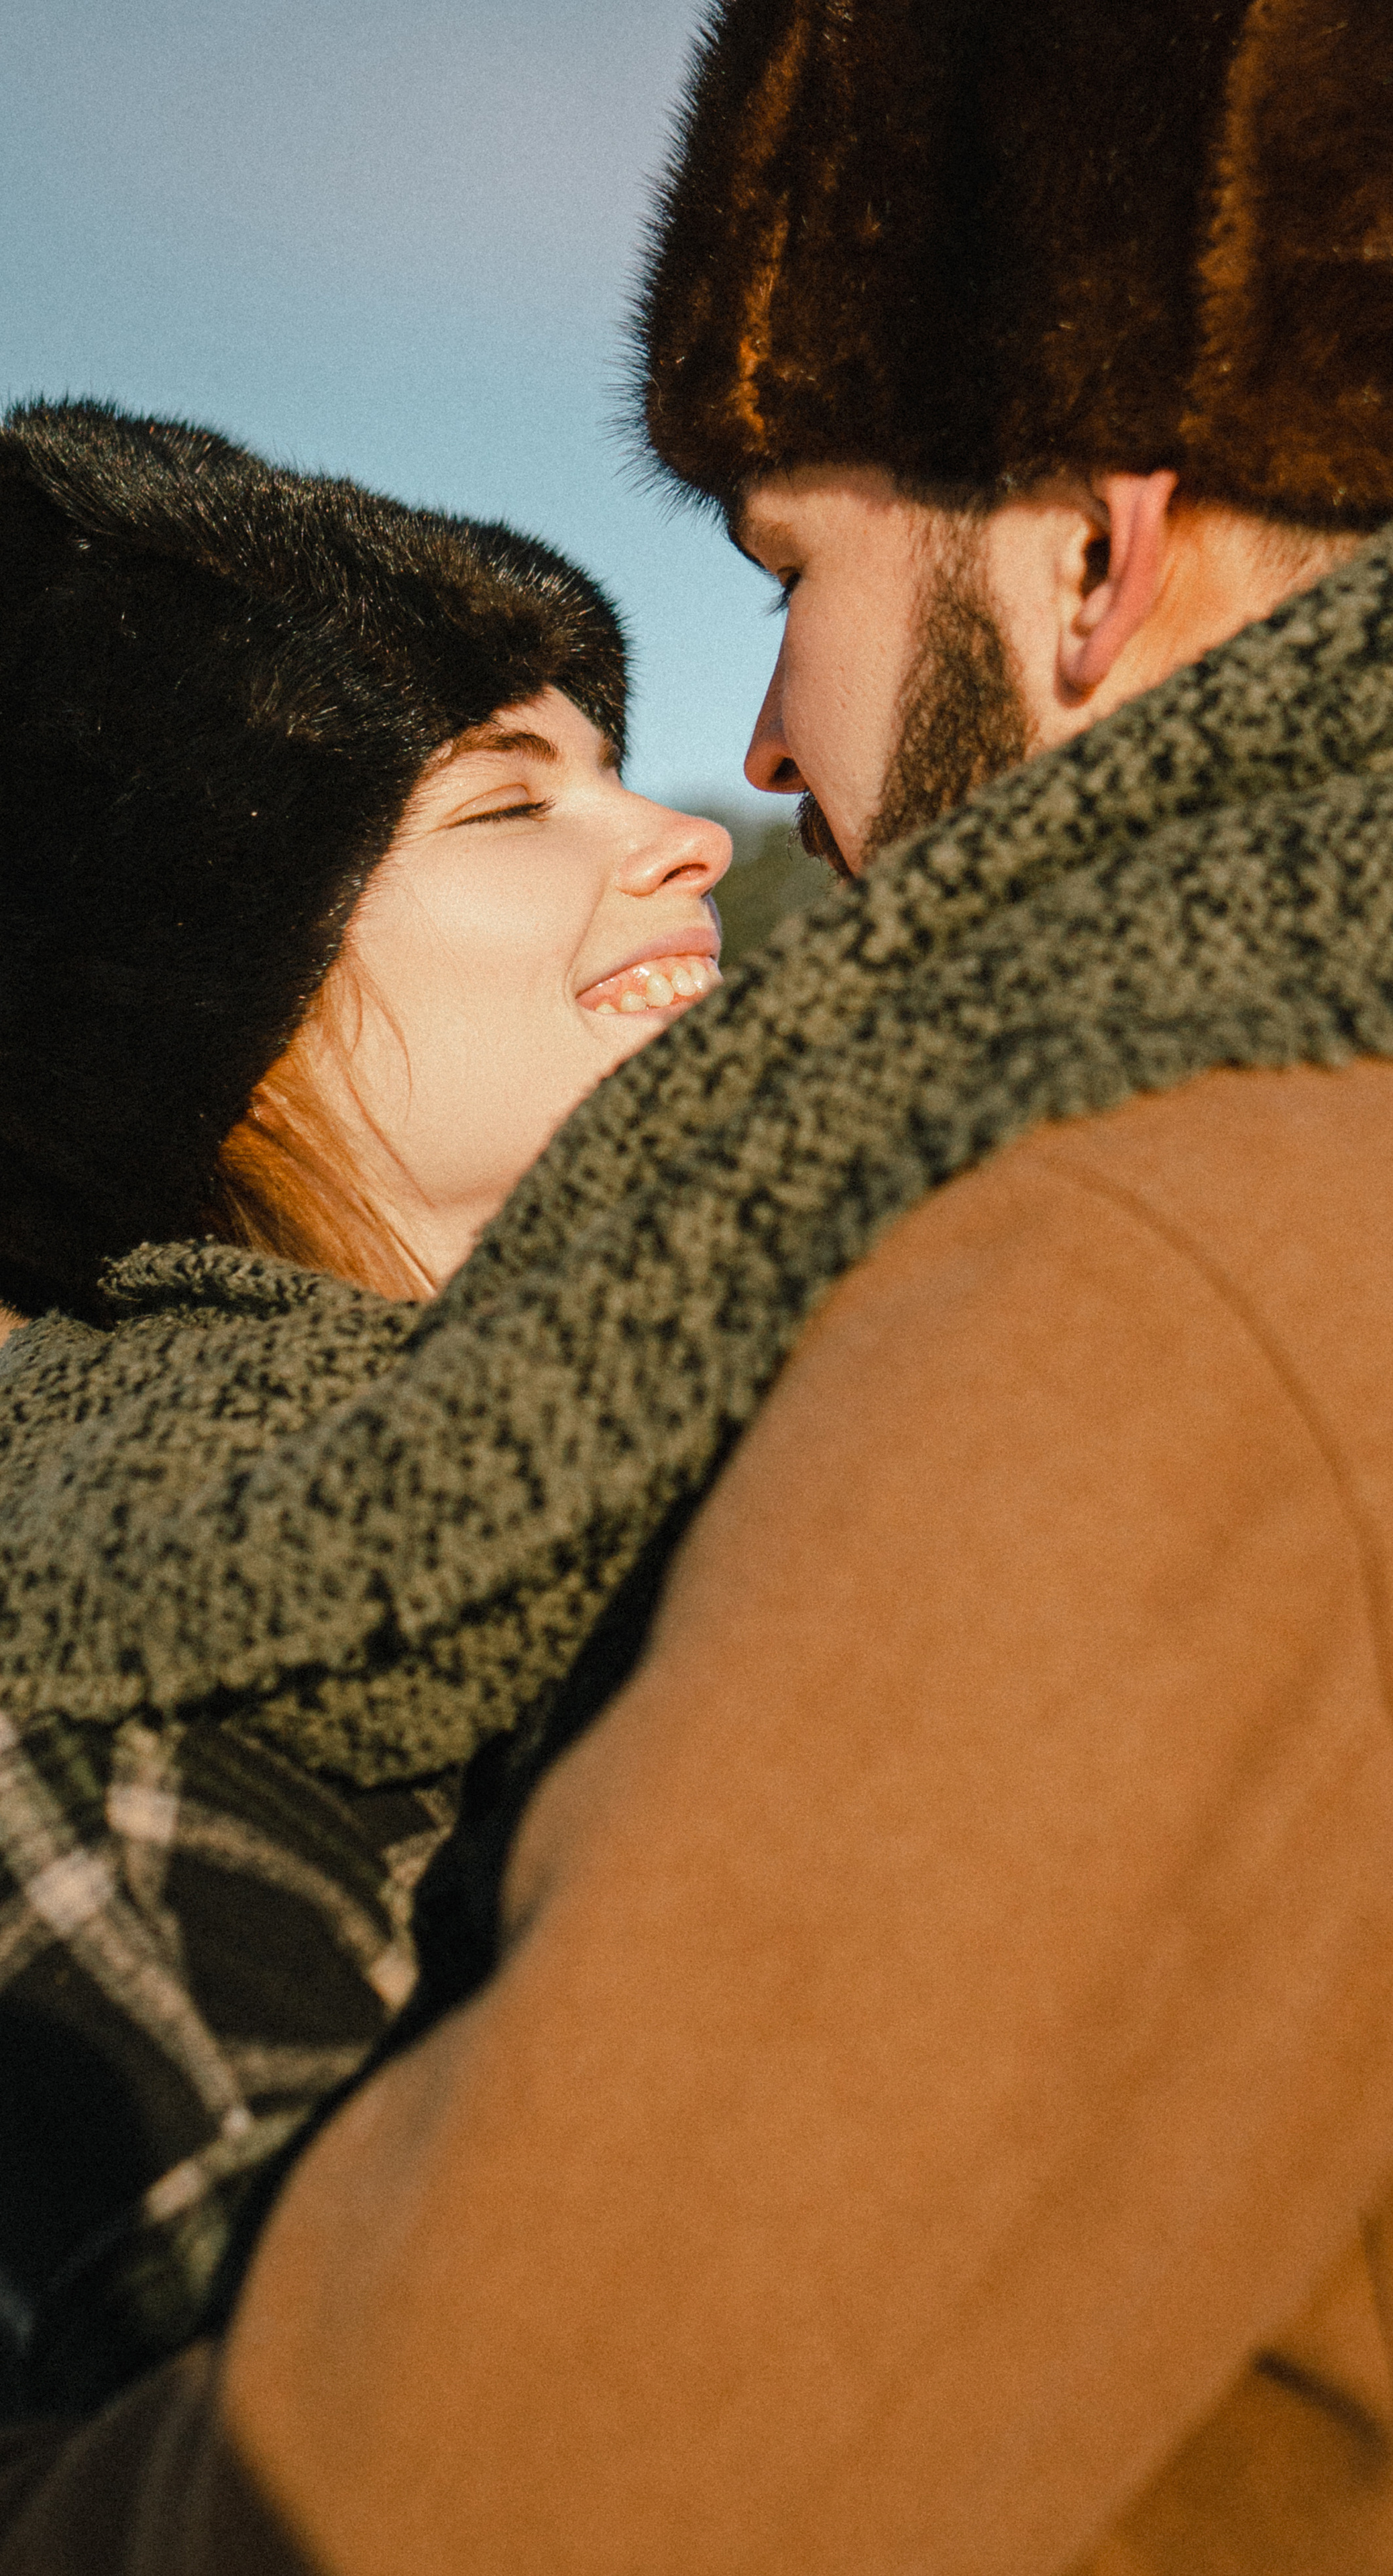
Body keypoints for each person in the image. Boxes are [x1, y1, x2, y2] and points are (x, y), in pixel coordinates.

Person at [8, 0, 1393, 2565]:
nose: (765, 761)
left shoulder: (1150, 1302)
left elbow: (460, 2510)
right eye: (508, 793)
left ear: (1097, 561)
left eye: (789, 576)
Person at [0, 398, 729, 2422]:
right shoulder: (99, 1719)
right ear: (190, 1004)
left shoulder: (778, 1442)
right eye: (506, 807)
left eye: (609, 765)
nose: (680, 833)